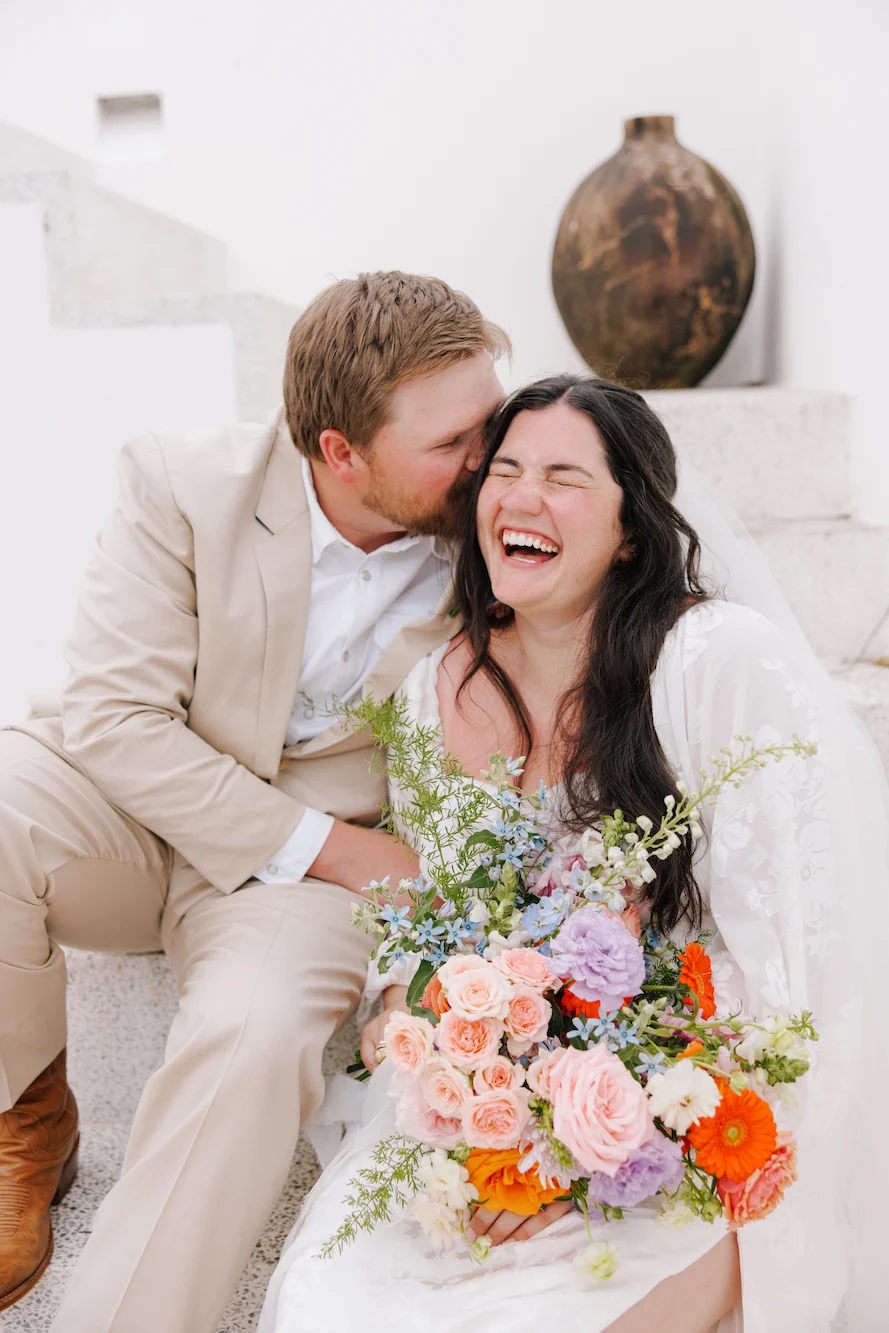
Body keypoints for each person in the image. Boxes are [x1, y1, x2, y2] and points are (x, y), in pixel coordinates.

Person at [259, 376, 885, 1333]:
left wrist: (588, 1138)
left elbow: (799, 964)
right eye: (503, 470)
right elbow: (426, 932)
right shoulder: (435, 690)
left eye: (563, 477)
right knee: (330, 1303)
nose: (521, 497)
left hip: (697, 1115)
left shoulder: (713, 662)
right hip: (490, 1125)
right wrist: (461, 1091)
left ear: (631, 529)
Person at [0, 271, 507, 1330]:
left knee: (254, 1029)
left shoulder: (498, 527)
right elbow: (114, 718)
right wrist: (327, 843)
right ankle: (24, 1117)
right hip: (137, 814)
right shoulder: (181, 480)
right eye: (453, 440)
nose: (486, 458)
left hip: (295, 894)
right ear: (339, 451)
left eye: (488, 420)